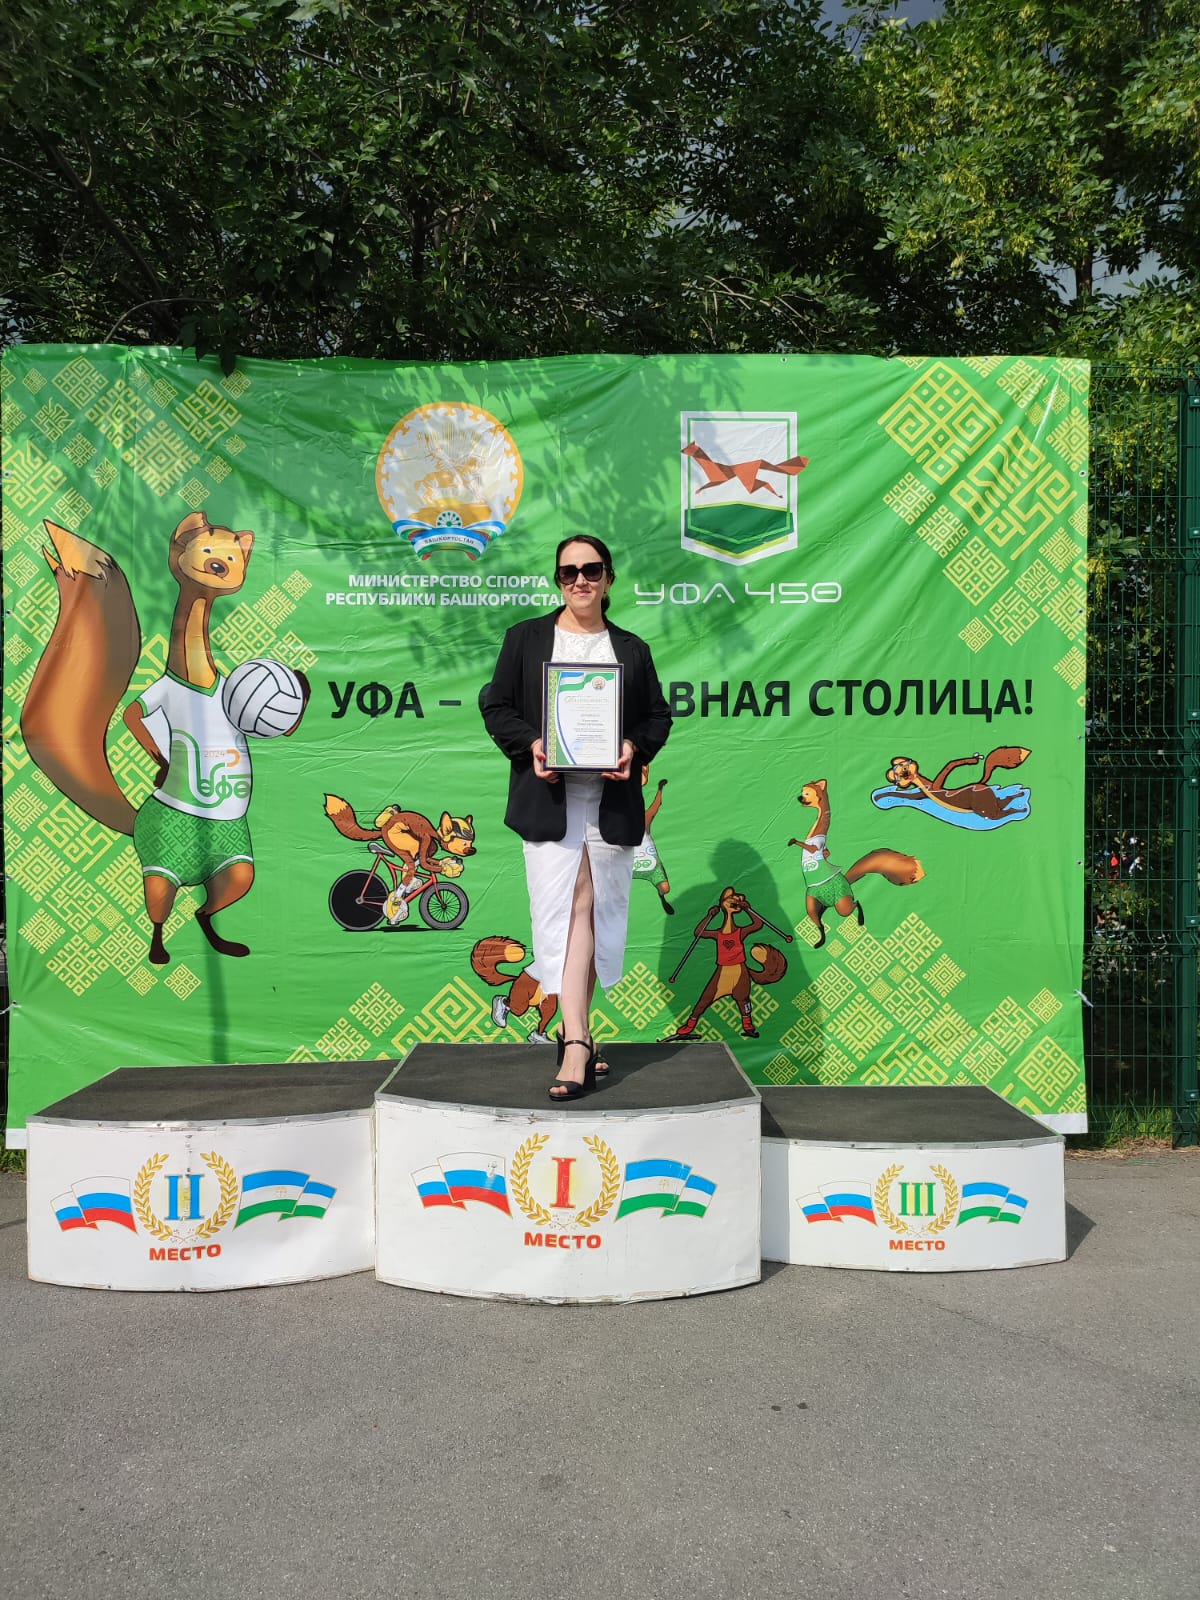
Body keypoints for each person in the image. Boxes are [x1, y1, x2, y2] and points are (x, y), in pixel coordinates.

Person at [481, 535, 671, 1101]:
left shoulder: (631, 649)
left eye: (591, 570)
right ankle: (578, 1040)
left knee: (592, 910)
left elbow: (657, 716)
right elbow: (496, 705)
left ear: (608, 578)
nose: (580, 581)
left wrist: (633, 747)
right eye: (569, 572)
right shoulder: (526, 639)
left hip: (610, 801)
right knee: (569, 909)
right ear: (558, 580)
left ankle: (575, 1035)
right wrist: (533, 744)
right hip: (549, 800)